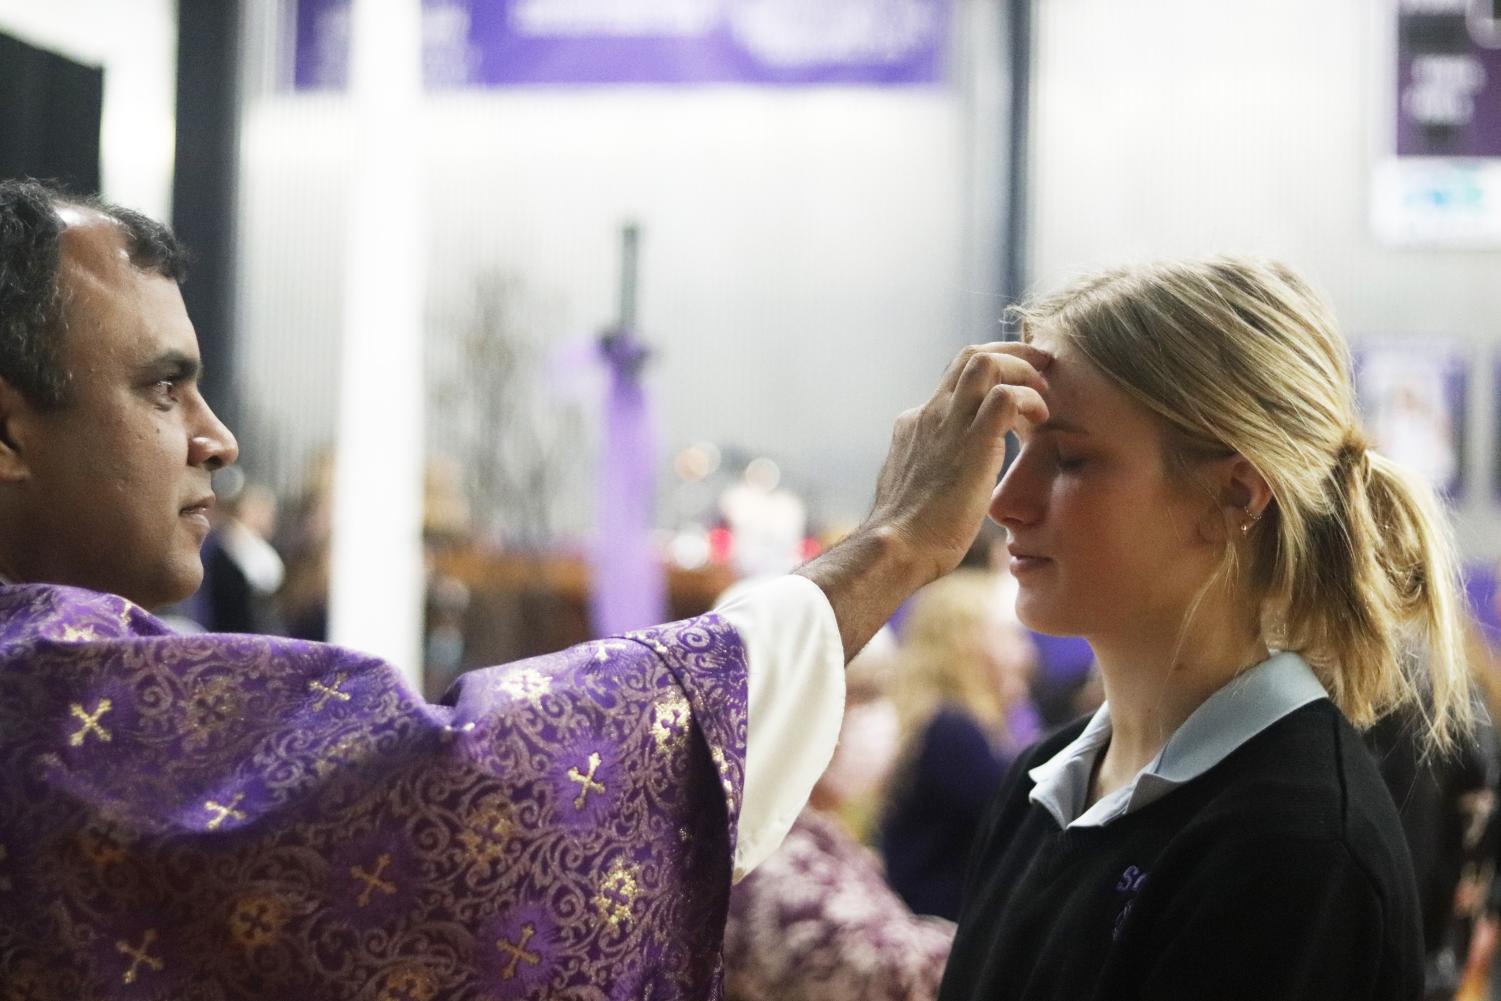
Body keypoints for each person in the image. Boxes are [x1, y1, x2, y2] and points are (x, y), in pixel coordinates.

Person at [0, 178, 1048, 999]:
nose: (216, 438)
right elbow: (467, 799)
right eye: (161, 385)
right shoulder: (39, 692)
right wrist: (893, 547)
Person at [937, 257, 1474, 1001]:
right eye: (1017, 450)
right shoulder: (1045, 778)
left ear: (1232, 494)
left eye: (1068, 458)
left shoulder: (1293, 846)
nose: (1006, 500)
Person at [723, 628, 955, 1001]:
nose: (879, 715)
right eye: (861, 694)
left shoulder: (803, 826)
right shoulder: (765, 851)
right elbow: (890, 970)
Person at [880, 568, 1037, 919]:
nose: (1024, 652)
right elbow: (1024, 820)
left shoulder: (957, 723)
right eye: (1008, 635)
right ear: (966, 643)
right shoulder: (952, 730)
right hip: (937, 932)